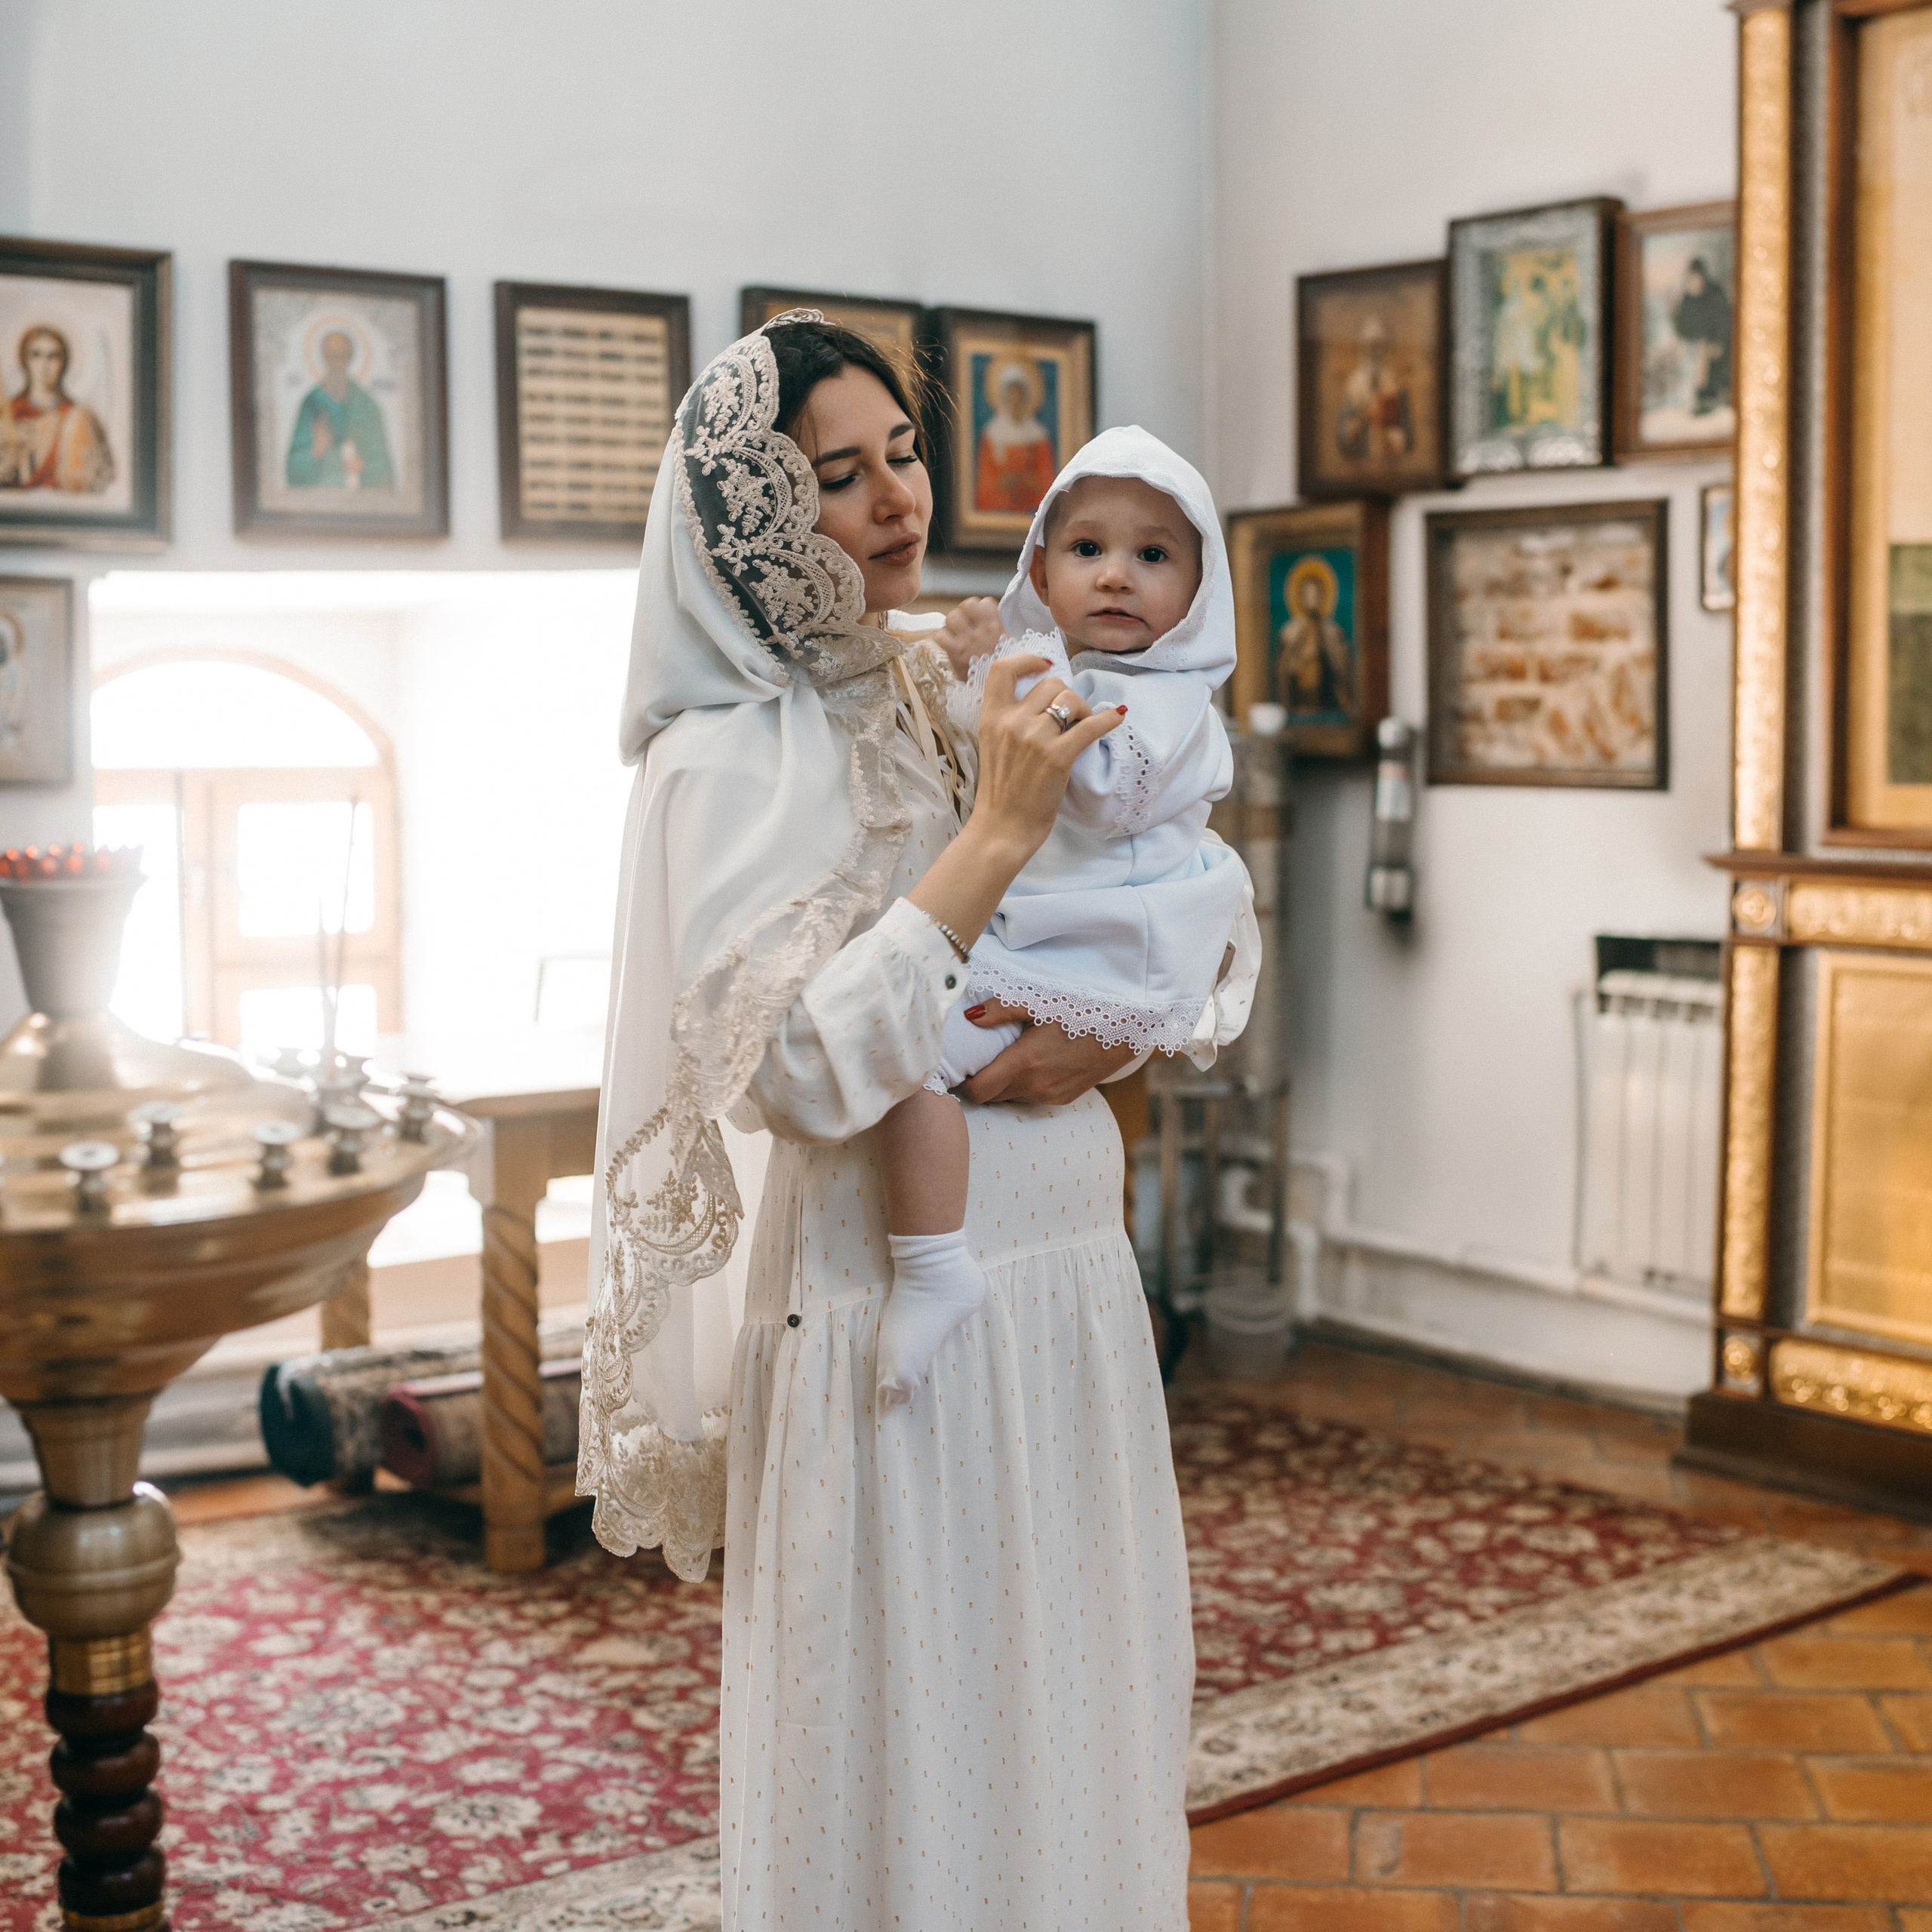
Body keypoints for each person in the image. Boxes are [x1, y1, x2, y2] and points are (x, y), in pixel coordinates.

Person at [580, 313, 1258, 1930]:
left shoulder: (951, 672)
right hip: (893, 1307)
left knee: (1077, 1695)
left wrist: (1093, 1044)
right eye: (838, 474)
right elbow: (802, 1073)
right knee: (909, 1729)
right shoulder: (719, 763)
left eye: (902, 451)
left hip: (1067, 1290)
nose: (896, 497)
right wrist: (997, 831)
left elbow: (1176, 925)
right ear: (752, 513)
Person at [870, 426, 1254, 1408]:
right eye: (1088, 551)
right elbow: (996, 743)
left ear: (1200, 590)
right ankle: (933, 1260)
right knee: (905, 1060)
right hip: (1045, 948)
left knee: (914, 1056)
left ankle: (931, 1262)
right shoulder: (1082, 682)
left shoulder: (1165, 704)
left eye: (1153, 556)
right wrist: (981, 671)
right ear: (1040, 565)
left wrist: (1009, 665)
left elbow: (1084, 785)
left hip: (1094, 962)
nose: (1117, 575)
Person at [0, 325, 114, 494]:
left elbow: (102, 478)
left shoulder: (79, 417)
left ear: (64, 362)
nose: (44, 365)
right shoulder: (8, 413)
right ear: (24, 360)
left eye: (53, 356)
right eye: (36, 355)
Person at [286, 329, 395, 490]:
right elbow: (293, 470)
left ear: (349, 358)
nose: (336, 363)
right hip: (321, 500)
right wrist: (315, 451)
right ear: (324, 358)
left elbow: (384, 467)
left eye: (341, 356)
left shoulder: (367, 406)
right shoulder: (312, 404)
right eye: (330, 356)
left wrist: (363, 466)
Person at [1275, 556, 1355, 721]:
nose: (1312, 599)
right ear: (1301, 596)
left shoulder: (1333, 632)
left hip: (1327, 704)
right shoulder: (1289, 633)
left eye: (1316, 594)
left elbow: (1342, 670)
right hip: (1298, 705)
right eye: (1308, 594)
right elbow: (1283, 671)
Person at [974, 355, 1057, 511]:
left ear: (1027, 397)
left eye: (1019, 395)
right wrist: (1003, 483)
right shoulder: (991, 434)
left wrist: (1029, 482)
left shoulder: (1039, 436)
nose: (1015, 401)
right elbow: (984, 488)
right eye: (1011, 396)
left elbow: (1049, 485)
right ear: (1003, 398)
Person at [1334, 311, 1412, 465]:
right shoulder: (1352, 387)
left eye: (1378, 345)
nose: (1373, 352)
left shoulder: (1397, 386)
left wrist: (1397, 437)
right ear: (1361, 347)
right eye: (1368, 345)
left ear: (1385, 347)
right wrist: (1352, 431)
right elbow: (1342, 439)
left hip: (1390, 467)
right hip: (1359, 468)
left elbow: (1408, 438)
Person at [1673, 255, 1732, 416]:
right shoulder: (1687, 298)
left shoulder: (1715, 294)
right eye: (1692, 278)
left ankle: (1710, 397)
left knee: (1705, 359)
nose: (1695, 281)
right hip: (1694, 344)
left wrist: (1718, 342)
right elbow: (1682, 324)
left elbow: (1723, 320)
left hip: (1716, 343)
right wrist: (1682, 340)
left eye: (1697, 277)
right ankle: (1695, 398)